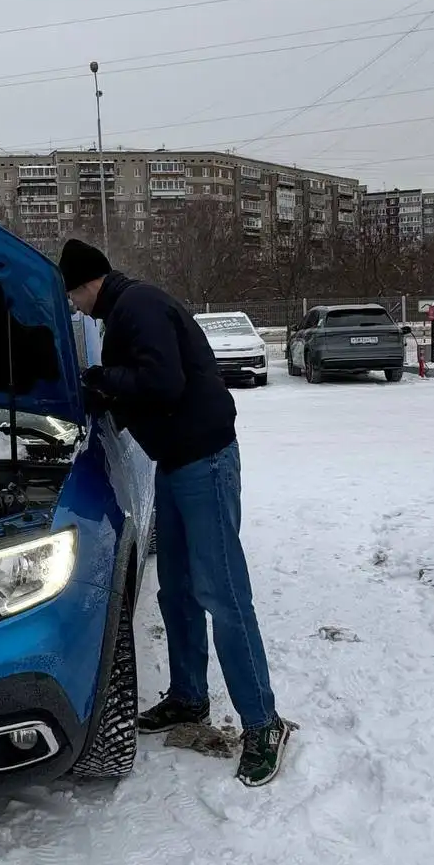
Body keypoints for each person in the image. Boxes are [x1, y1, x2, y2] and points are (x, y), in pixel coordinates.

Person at [58, 238, 290, 787]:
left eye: (72, 296)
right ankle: (188, 698)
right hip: (177, 460)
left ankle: (263, 722)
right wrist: (99, 394)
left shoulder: (137, 306)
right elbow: (140, 384)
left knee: (223, 592)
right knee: (177, 589)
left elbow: (162, 382)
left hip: (204, 461)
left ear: (88, 283)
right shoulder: (124, 313)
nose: (73, 307)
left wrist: (101, 380)